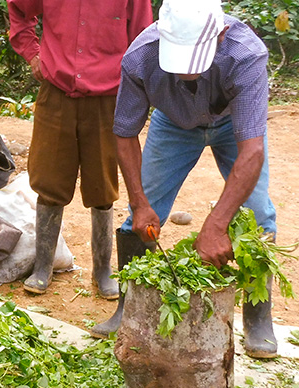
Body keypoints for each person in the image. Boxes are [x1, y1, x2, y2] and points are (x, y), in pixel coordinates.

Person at [91, 0, 278, 359]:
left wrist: (217, 224)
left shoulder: (245, 54)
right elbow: (125, 134)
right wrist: (140, 203)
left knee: (257, 216)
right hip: (173, 124)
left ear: (221, 35)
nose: (185, 73)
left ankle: (258, 321)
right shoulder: (140, 58)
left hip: (231, 125)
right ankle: (128, 309)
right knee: (141, 218)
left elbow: (251, 151)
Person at [6, 0, 154, 297]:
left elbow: (144, 36)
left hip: (107, 96)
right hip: (56, 90)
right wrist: (34, 55)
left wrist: (137, 87)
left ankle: (102, 271)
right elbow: (19, 10)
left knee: (102, 186)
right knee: (49, 181)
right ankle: (43, 266)